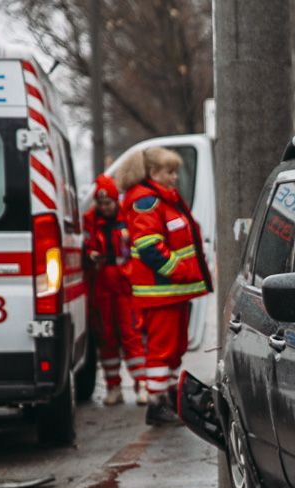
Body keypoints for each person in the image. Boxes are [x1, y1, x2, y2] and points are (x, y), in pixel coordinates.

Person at [116, 147, 212, 425]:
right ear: (152, 173)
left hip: (172, 292)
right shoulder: (147, 202)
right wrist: (180, 271)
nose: (174, 178)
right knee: (162, 350)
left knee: (174, 348)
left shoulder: (162, 200)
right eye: (169, 172)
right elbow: (149, 247)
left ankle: (168, 398)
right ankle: (157, 404)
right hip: (162, 292)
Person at [82, 174, 146, 407]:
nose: (105, 207)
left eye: (109, 203)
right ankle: (113, 387)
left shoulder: (127, 216)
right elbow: (86, 245)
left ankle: (142, 385)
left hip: (125, 285)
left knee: (131, 335)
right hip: (101, 284)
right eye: (101, 203)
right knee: (106, 337)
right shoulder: (90, 220)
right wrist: (90, 255)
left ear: (116, 201)